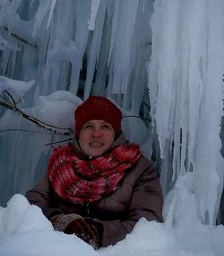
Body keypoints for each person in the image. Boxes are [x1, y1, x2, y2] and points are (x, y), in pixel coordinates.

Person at [26, 95, 163, 248]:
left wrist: (99, 232)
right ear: (79, 133)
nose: (96, 133)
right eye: (88, 126)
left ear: (116, 133)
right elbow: (30, 208)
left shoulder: (139, 169)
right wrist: (61, 221)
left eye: (105, 126)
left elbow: (147, 226)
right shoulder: (61, 164)